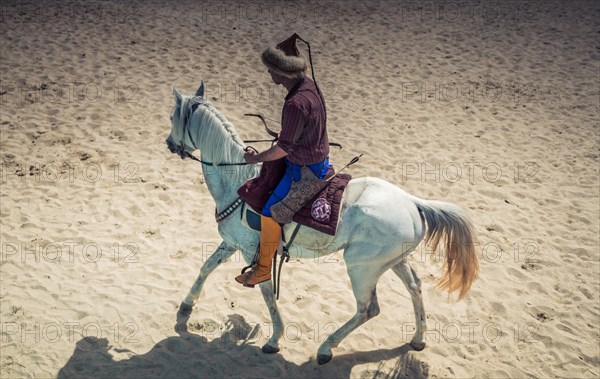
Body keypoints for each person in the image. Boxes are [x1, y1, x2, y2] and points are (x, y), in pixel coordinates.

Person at [235, 34, 330, 287]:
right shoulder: (310, 86)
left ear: (283, 73)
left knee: (270, 212)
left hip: (303, 170)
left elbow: (284, 149)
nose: (268, 74)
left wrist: (255, 158)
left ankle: (263, 269)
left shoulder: (295, 103)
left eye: (271, 69)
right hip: (319, 157)